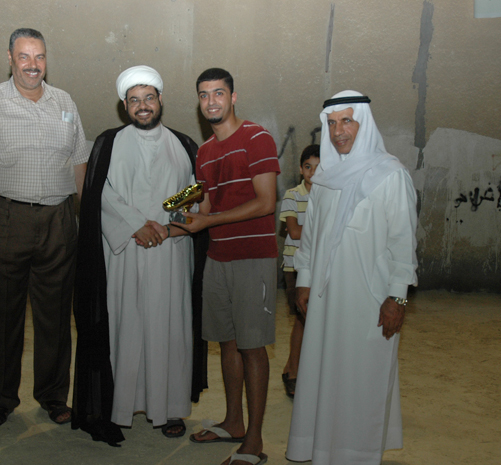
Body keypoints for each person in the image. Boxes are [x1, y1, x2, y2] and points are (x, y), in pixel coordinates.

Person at [0, 28, 89, 428]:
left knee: (55, 315)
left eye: (39, 56)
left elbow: (79, 165)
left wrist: (88, 221)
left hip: (59, 220)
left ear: (47, 59)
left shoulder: (65, 102)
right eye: (24, 56)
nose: (33, 65)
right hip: (4, 219)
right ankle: (0, 398)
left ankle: (53, 395)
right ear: (9, 58)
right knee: (2, 313)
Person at [72, 65, 207, 446]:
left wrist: (164, 224)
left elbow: (193, 192)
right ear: (124, 106)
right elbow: (98, 193)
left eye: (149, 98)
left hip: (170, 253)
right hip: (123, 253)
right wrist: (135, 223)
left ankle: (170, 408)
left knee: (170, 327)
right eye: (134, 100)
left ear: (160, 100)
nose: (142, 106)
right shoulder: (108, 142)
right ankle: (122, 405)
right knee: (125, 325)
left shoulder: (184, 144)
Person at [286, 91, 418, 464]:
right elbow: (310, 237)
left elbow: (403, 243)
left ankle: (357, 454)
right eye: (331, 123)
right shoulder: (325, 176)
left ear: (364, 123)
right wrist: (304, 281)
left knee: (364, 379)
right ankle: (323, 450)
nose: (338, 131)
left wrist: (398, 298)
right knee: (324, 374)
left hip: (371, 300)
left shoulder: (390, 174)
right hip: (326, 300)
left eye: (347, 121)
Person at [184, 68, 279, 465]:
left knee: (252, 346)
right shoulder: (205, 152)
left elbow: (266, 202)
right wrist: (166, 214)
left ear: (233, 97)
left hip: (252, 258)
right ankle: (234, 422)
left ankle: (254, 440)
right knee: (226, 342)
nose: (212, 102)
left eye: (219, 93)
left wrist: (208, 221)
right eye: (204, 95)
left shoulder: (257, 138)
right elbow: (203, 203)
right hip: (217, 258)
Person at [279, 144, 319, 398]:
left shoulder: (330, 195)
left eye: (318, 168)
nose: (312, 173)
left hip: (320, 265)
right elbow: (294, 232)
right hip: (295, 267)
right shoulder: (292, 195)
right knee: (302, 320)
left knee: (316, 322)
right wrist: (325, 233)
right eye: (308, 167)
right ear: (300, 169)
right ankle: (293, 372)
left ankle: (295, 369)